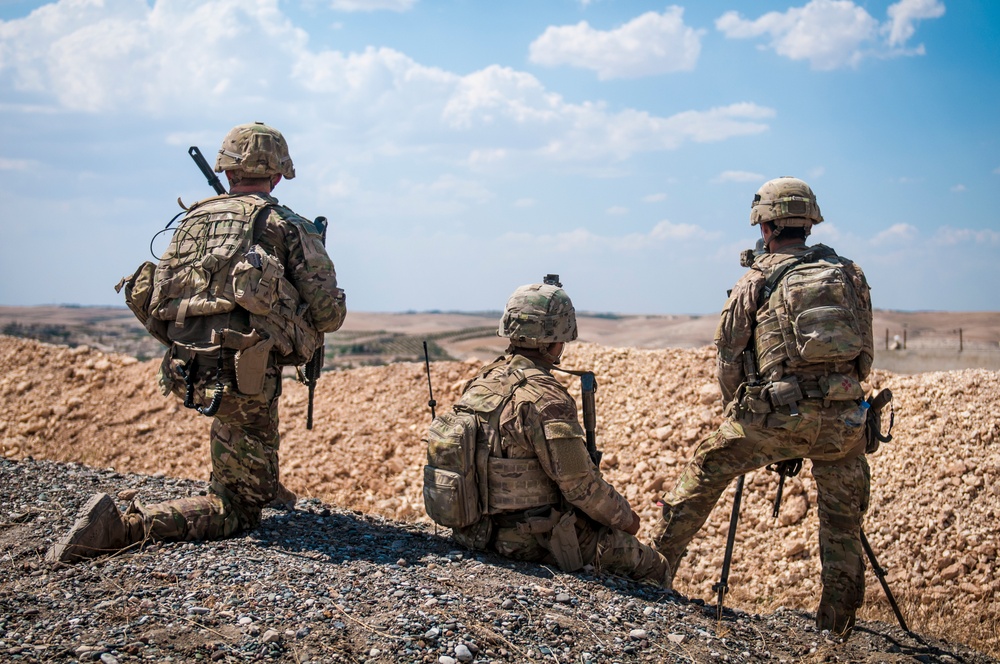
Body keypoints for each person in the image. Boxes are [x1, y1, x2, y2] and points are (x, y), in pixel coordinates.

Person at [47, 122, 347, 563]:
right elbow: (328, 314)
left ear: (227, 172)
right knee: (238, 510)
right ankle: (125, 527)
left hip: (188, 362)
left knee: (245, 430)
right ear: (279, 175)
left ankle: (257, 475)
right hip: (242, 370)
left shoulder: (194, 220)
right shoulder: (286, 224)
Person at [650, 176, 875, 638]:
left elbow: (729, 361)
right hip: (845, 421)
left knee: (705, 471)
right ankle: (836, 628)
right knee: (842, 521)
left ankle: (649, 575)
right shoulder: (850, 274)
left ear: (766, 224)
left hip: (774, 417)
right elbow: (865, 357)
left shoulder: (756, 278)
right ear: (809, 223)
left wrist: (747, 412)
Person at [425, 278, 672, 586]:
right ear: (555, 339)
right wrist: (625, 519)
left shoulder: (482, 381)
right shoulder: (546, 398)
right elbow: (579, 484)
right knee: (654, 567)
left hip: (473, 534)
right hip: (530, 542)